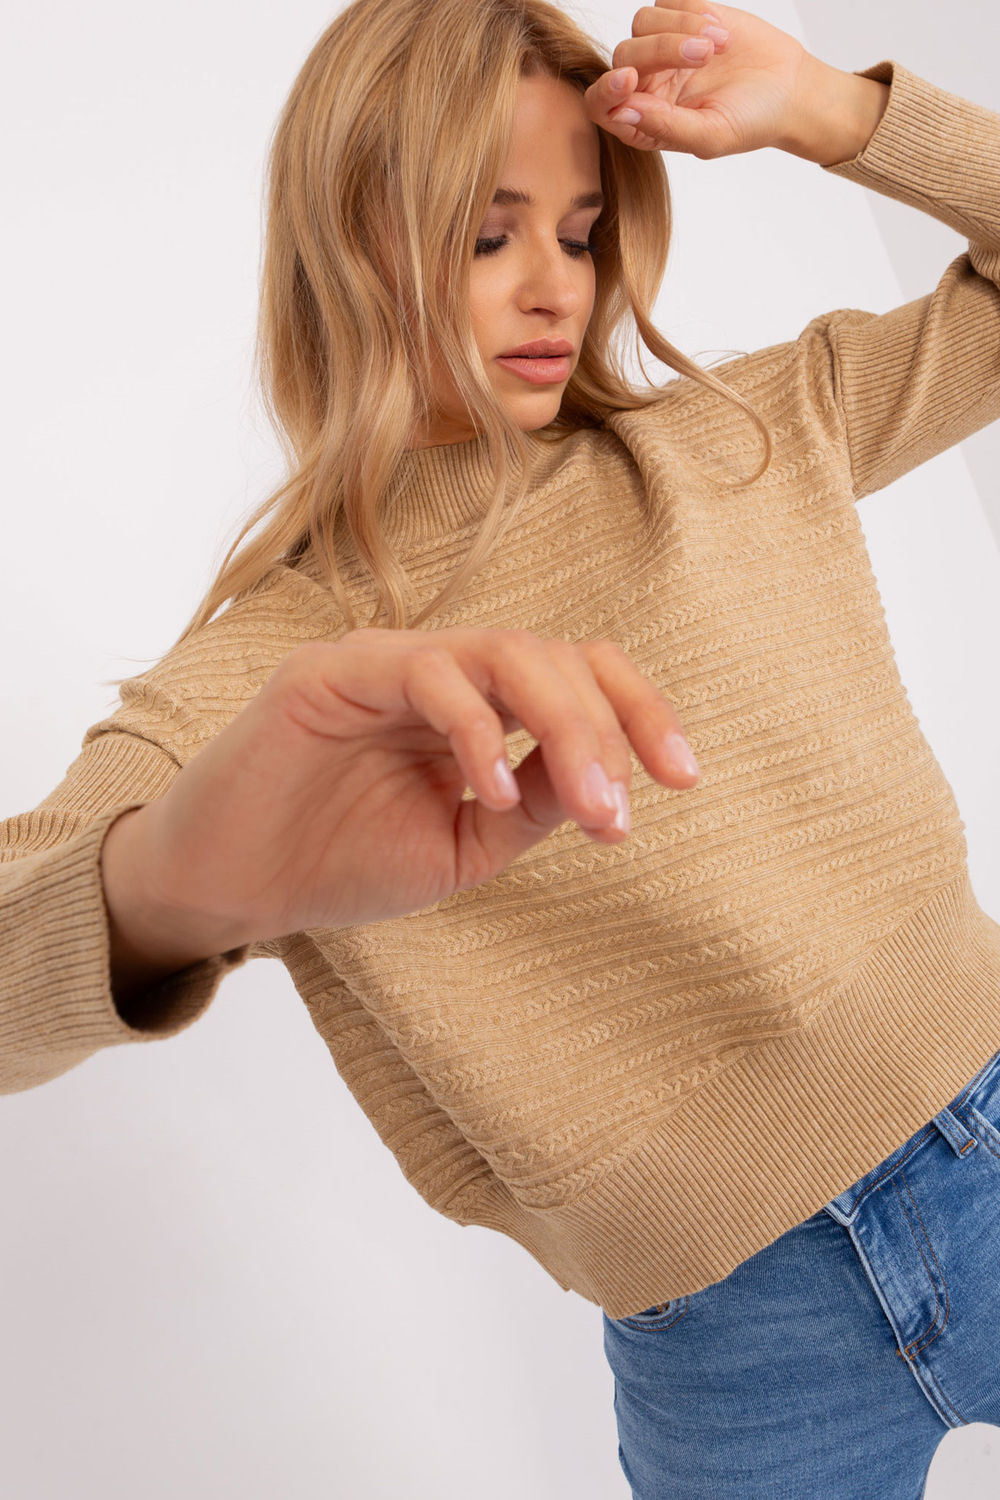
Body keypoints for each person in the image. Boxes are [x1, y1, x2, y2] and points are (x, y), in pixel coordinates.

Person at [2, 0, 1000, 1493]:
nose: (554, 286)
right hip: (724, 1349)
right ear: (347, 249)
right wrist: (164, 894)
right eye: (486, 234)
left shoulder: (745, 432)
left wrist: (831, 110)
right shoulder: (278, 675)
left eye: (583, 233)